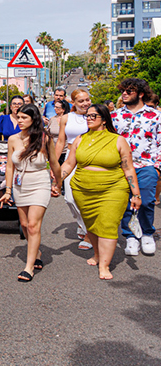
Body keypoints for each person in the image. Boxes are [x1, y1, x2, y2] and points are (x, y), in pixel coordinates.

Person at [60, 104, 141, 279]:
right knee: (91, 224)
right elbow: (68, 164)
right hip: (83, 188)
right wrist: (56, 179)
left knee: (108, 224)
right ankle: (97, 254)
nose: (89, 118)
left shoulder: (117, 140)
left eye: (93, 116)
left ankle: (104, 265)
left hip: (113, 188)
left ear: (104, 119)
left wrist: (136, 194)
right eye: (87, 116)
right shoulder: (80, 139)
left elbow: (128, 169)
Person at [0, 104, 62, 281]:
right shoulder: (12, 139)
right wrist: (8, 190)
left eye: (24, 118)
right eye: (18, 117)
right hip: (20, 184)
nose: (20, 121)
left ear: (33, 119)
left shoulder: (44, 138)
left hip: (40, 182)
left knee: (33, 225)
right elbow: (10, 167)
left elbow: (54, 163)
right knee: (24, 225)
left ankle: (28, 266)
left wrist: (59, 184)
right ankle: (37, 250)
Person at [111, 78, 161, 256]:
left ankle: (147, 233)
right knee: (126, 202)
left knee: (146, 201)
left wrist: (157, 167)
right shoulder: (115, 116)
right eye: (123, 90)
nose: (124, 94)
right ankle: (130, 236)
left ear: (140, 94)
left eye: (129, 91)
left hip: (147, 165)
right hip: (121, 167)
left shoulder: (155, 116)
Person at [56, 89, 93, 249]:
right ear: (73, 103)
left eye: (87, 100)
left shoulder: (95, 115)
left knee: (87, 198)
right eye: (81, 101)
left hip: (91, 158)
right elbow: (60, 142)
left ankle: (88, 233)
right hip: (71, 157)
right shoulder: (66, 118)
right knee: (69, 198)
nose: (85, 103)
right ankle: (82, 223)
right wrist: (54, 164)